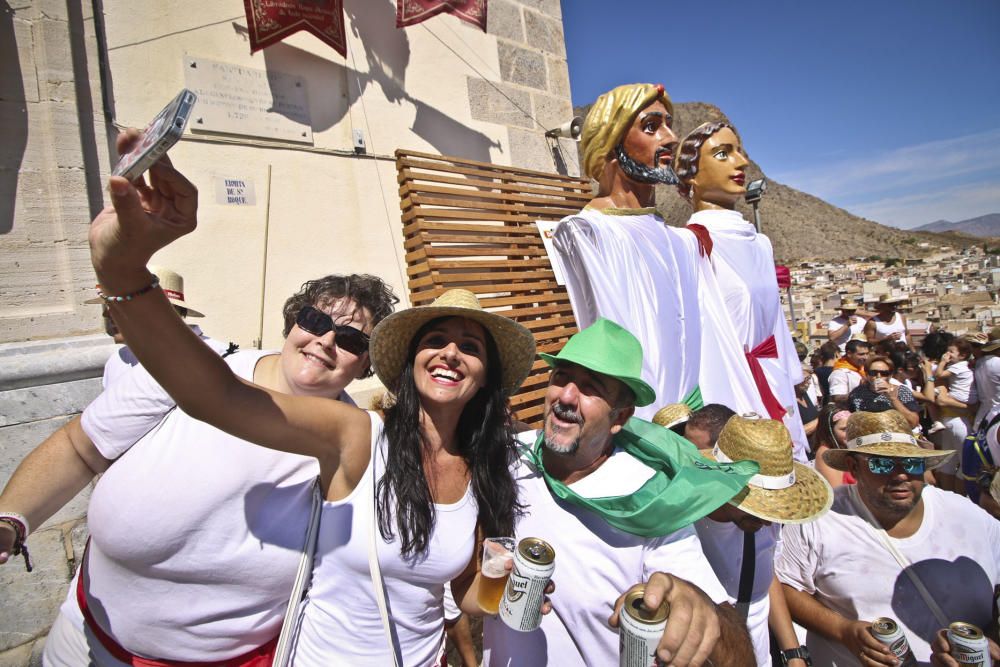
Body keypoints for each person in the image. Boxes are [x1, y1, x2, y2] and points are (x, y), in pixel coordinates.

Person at [82, 131, 539, 666]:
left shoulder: (485, 469)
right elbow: (217, 396)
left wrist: (498, 591)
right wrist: (122, 271)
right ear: (411, 362)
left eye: (470, 346)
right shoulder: (356, 437)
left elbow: (457, 589)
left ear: (485, 377)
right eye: (435, 340)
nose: (450, 353)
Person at [0, 273, 399, 665]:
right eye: (315, 321)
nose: (326, 340)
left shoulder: (357, 445)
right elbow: (81, 449)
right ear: (294, 321)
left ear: (365, 362)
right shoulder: (198, 370)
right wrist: (12, 521)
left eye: (349, 340)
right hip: (84, 641)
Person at [549, 84, 808, 462]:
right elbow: (618, 342)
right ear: (612, 140)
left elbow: (705, 341)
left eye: (668, 125)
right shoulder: (589, 232)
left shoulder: (683, 242)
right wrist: (661, 436)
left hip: (691, 432)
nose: (669, 137)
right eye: (651, 126)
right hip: (644, 435)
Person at [479, 319, 757, 666]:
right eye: (561, 377)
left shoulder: (651, 499)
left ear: (619, 417)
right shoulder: (507, 459)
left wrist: (701, 609)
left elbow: (739, 655)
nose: (566, 396)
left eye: (590, 387)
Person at [776, 410, 1000, 666]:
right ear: (853, 467)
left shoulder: (968, 517)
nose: (901, 475)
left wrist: (991, 637)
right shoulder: (818, 521)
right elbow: (786, 586)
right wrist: (843, 630)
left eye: (912, 463)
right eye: (882, 463)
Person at [675, 120, 809, 461]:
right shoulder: (690, 244)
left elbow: (774, 323)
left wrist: (790, 376)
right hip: (729, 394)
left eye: (739, 151)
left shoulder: (760, 244)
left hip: (774, 384)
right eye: (723, 153)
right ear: (691, 174)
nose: (742, 163)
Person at [695, 414, 833, 666]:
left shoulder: (762, 522)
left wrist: (793, 653)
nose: (769, 522)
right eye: (759, 508)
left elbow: (766, 574)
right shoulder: (688, 526)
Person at [85, 264, 228, 387]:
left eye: (120, 306)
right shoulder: (117, 361)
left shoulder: (220, 357)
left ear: (162, 312)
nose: (107, 315)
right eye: (109, 306)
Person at [926, 338, 978, 492]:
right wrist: (942, 362)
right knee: (965, 462)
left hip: (951, 420)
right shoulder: (956, 368)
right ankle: (960, 496)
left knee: (949, 463)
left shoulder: (962, 367)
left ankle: (949, 495)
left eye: (951, 351)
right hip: (958, 420)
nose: (947, 354)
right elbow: (940, 380)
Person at [846, 355, 921, 427]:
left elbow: (913, 423)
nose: (878, 376)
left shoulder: (902, 391)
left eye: (884, 373)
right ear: (867, 374)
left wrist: (893, 398)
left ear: (890, 375)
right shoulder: (858, 393)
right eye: (873, 373)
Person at [811, 405, 855, 489]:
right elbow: (838, 493)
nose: (851, 433)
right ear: (830, 432)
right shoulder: (826, 454)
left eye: (852, 427)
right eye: (844, 429)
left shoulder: (849, 447)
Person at [828, 339, 870, 404]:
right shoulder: (840, 373)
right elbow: (837, 398)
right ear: (849, 354)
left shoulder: (863, 369)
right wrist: (861, 390)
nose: (866, 357)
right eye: (861, 354)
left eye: (867, 354)